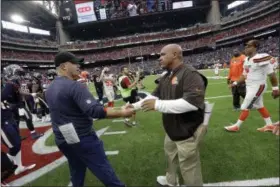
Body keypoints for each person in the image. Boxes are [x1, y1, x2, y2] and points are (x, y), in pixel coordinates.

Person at [45, 51, 135, 187]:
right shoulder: (74, 86)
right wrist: (122, 112)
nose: (79, 66)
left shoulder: (50, 88)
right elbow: (95, 110)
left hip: (63, 139)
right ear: (64, 66)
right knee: (105, 171)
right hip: (82, 138)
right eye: (75, 63)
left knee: (76, 170)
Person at [126, 44, 210, 186]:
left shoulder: (190, 74)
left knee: (189, 168)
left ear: (175, 54)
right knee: (170, 158)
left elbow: (191, 103)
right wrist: (132, 107)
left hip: (187, 130)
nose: (160, 58)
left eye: (163, 54)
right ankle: (171, 180)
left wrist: (158, 105)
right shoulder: (166, 76)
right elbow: (153, 97)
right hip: (171, 129)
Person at [225, 40, 279, 132]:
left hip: (258, 86)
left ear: (255, 47)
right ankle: (269, 125)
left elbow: (272, 74)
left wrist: (275, 89)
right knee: (259, 106)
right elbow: (244, 75)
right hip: (250, 86)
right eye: (245, 46)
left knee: (245, 106)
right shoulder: (246, 59)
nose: (246, 48)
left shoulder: (260, 57)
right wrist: (234, 83)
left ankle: (237, 126)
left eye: (249, 46)